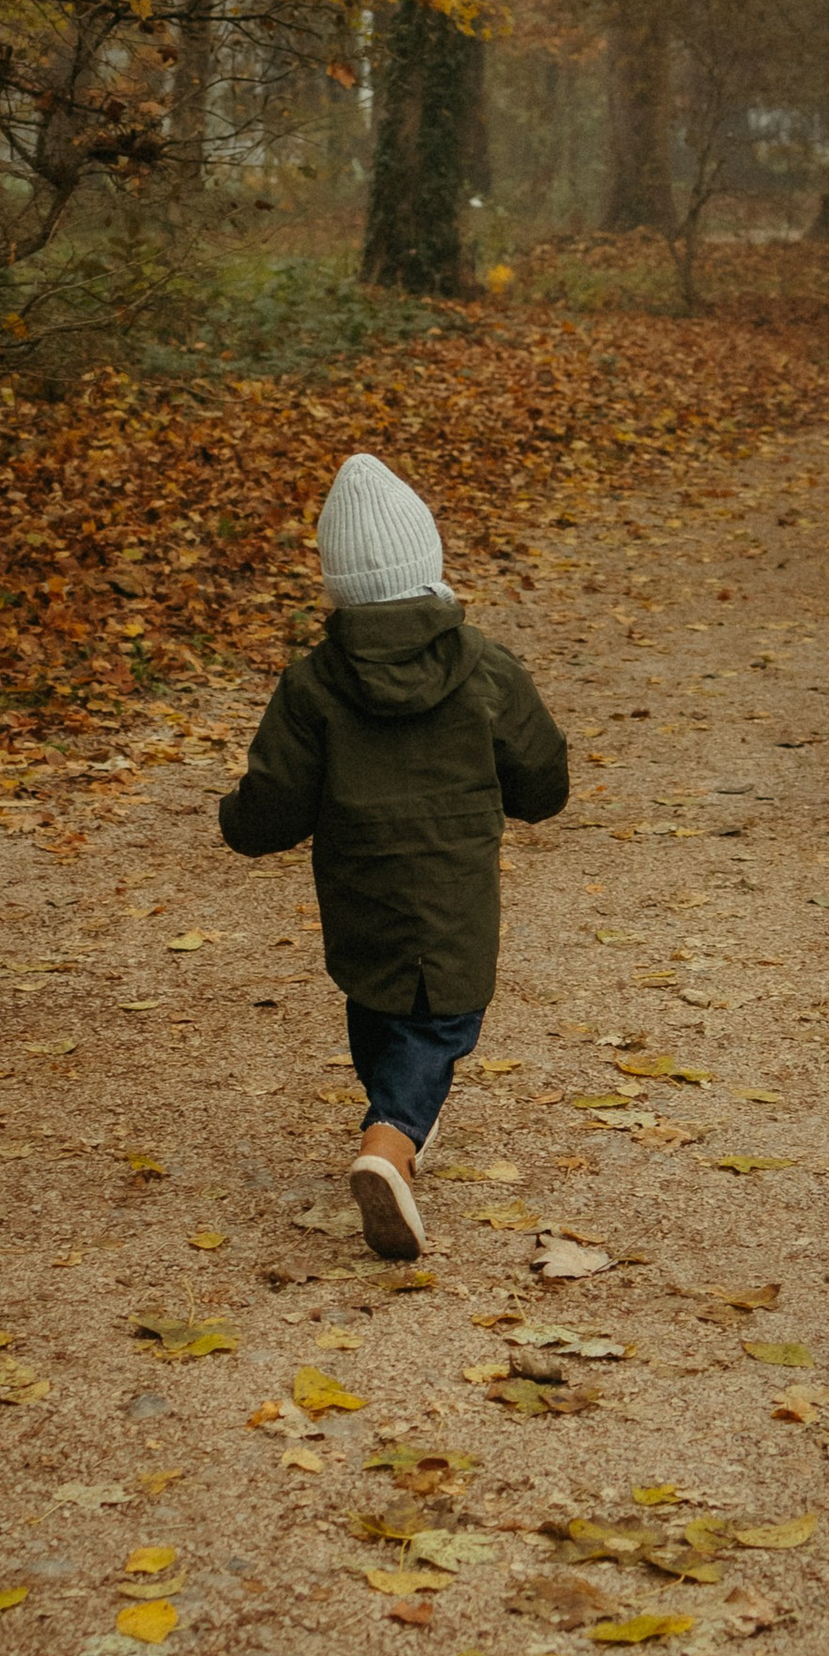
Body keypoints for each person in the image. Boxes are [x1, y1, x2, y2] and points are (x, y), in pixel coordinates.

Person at [219, 448, 569, 1259]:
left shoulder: (311, 686)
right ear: (429, 564)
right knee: (441, 1025)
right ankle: (389, 1146)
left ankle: (396, 1133)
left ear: (335, 584)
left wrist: (236, 819)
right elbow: (542, 780)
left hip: (360, 901)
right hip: (452, 900)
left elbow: (273, 804)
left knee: (380, 1014)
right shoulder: (484, 668)